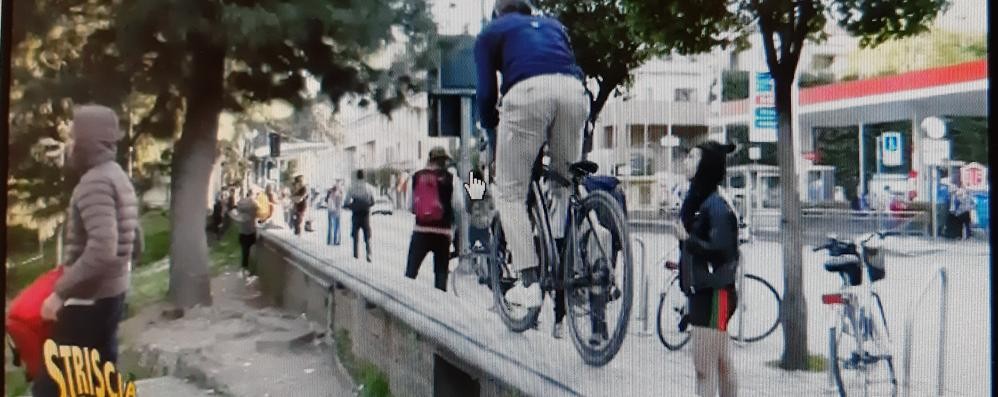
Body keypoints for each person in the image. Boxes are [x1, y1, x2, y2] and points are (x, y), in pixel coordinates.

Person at [475, 0, 588, 309]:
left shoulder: (490, 32)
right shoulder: (553, 26)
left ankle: (528, 282)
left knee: (509, 195)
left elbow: (486, 93)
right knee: (562, 185)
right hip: (574, 92)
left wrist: (491, 132)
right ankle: (565, 256)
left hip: (525, 99)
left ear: (497, 11)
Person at [34, 105, 142, 397]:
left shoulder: (94, 182)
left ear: (88, 142)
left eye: (74, 137)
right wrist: (122, 274)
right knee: (100, 380)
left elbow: (103, 247)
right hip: (112, 295)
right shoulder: (117, 175)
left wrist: (60, 293)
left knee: (50, 385)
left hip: (87, 301)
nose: (70, 144)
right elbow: (136, 236)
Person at [675, 141, 740, 397]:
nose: (686, 162)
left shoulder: (716, 206)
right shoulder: (701, 200)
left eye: (692, 158)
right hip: (706, 292)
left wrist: (686, 239)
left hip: (713, 293)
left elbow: (722, 251)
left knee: (704, 369)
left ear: (706, 166)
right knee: (721, 363)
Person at [404, 147, 459, 291]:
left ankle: (405, 306)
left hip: (420, 231)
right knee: (441, 277)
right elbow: (458, 206)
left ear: (429, 159)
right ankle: (439, 309)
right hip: (442, 233)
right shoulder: (451, 178)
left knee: (410, 274)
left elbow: (409, 206)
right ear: (444, 161)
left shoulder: (415, 177)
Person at [345, 170, 375, 262]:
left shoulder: (351, 187)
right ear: (364, 177)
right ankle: (369, 254)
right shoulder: (369, 187)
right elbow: (373, 201)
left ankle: (355, 255)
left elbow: (346, 201)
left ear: (356, 177)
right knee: (367, 235)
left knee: (355, 235)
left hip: (356, 214)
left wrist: (352, 206)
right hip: (365, 214)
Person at [230, 188, 260, 278]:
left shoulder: (241, 203)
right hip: (251, 231)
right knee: (252, 251)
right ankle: (250, 270)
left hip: (242, 231)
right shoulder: (254, 204)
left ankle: (244, 268)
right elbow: (257, 213)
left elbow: (236, 213)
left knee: (244, 251)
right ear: (253, 194)